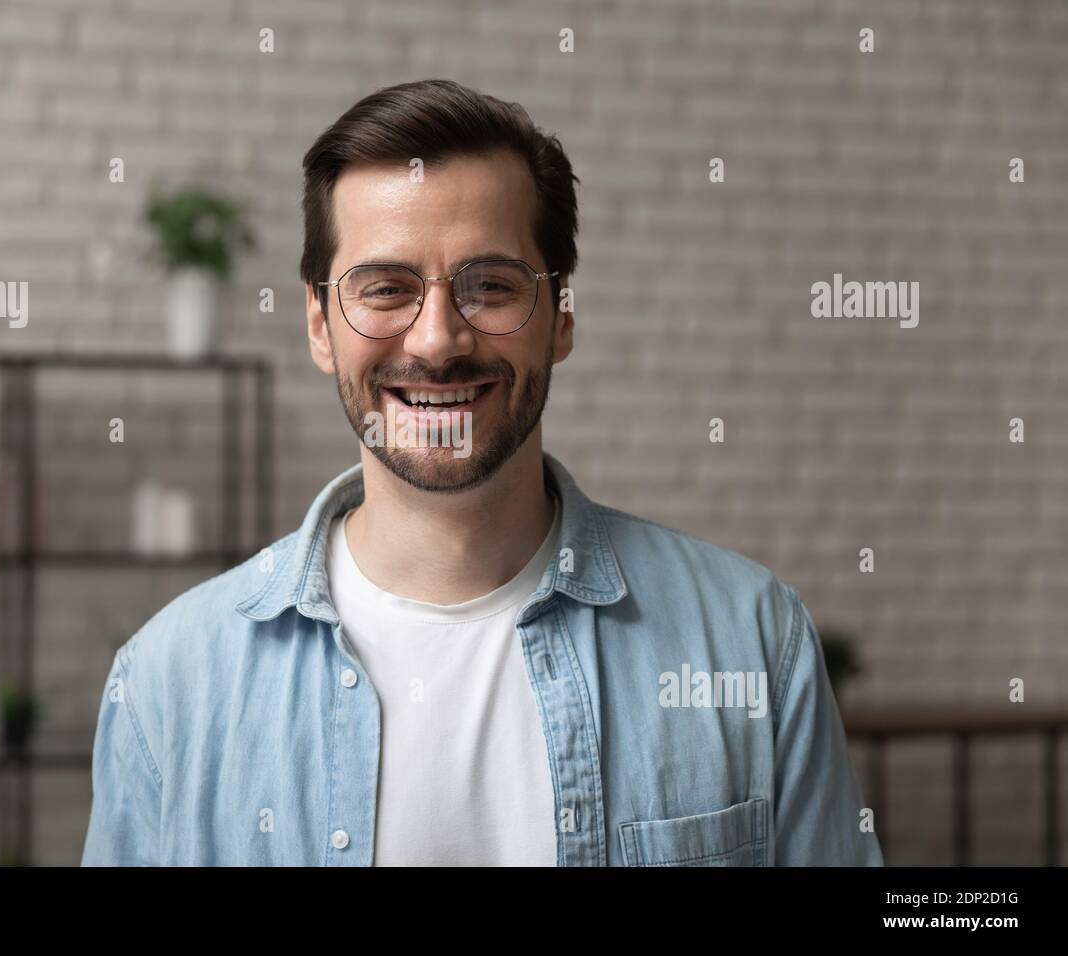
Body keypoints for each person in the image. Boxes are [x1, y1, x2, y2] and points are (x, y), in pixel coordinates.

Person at [81, 78, 882, 867]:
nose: (436, 341)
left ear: (561, 314)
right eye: (386, 289)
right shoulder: (168, 683)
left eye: (490, 287)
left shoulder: (749, 641)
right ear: (319, 325)